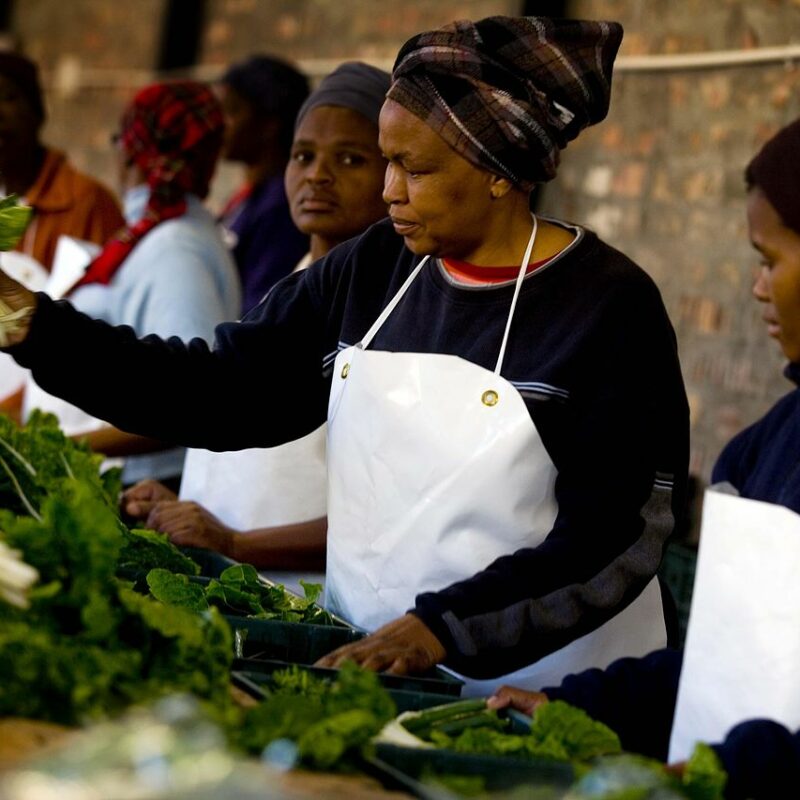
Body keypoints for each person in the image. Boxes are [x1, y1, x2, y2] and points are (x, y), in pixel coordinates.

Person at [0, 16, 688, 695]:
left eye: (414, 167)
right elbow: (218, 390)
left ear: (500, 172)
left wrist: (441, 630)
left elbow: (619, 533)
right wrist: (33, 325)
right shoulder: (375, 270)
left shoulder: (606, 308)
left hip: (547, 694)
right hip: (370, 666)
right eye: (388, 160)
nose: (390, 189)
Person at [486, 116, 800, 800]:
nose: (756, 288)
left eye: (770, 260)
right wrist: (589, 707)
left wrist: (724, 772)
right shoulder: (762, 448)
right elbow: (726, 657)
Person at [121, 62, 391, 588]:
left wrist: (236, 543)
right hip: (235, 592)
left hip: (305, 611)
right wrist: (186, 506)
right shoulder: (294, 284)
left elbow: (395, 520)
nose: (317, 175)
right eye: (303, 156)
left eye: (352, 159)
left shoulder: (393, 312)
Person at [22, 80, 241, 488]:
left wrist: (60, 449)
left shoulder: (176, 249)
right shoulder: (154, 235)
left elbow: (187, 402)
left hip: (141, 493)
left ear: (132, 150)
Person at [0, 52, 124, 410]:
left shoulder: (85, 200)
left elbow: (104, 324)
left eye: (7, 97)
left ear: (38, 111)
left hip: (59, 402)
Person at [217, 54, 311, 314]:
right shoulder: (247, 197)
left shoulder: (280, 206)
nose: (218, 123)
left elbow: (259, 307)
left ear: (269, 123)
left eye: (232, 111)